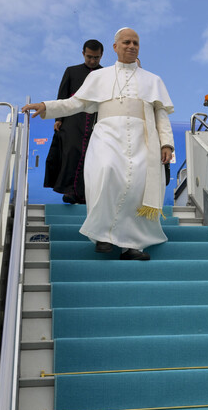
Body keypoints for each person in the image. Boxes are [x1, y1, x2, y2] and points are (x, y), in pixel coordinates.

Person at [23, 27, 174, 261]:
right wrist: (47, 107)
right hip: (107, 136)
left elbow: (161, 115)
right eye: (126, 42)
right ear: (115, 47)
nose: (131, 46)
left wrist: (167, 145)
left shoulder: (153, 80)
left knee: (137, 186)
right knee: (106, 172)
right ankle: (103, 235)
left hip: (143, 139)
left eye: (135, 42)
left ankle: (131, 245)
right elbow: (75, 104)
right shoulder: (98, 77)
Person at [44, 39, 104, 204]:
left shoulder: (105, 74)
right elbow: (62, 95)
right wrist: (58, 118)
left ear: (101, 56)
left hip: (95, 119)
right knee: (71, 153)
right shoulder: (71, 71)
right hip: (72, 118)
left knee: (91, 156)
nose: (92, 61)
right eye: (89, 57)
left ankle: (85, 195)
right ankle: (70, 191)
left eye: (96, 58)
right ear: (83, 54)